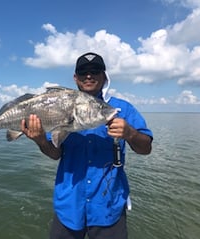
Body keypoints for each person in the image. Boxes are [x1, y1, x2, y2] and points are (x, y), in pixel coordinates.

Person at [21, 52, 153, 239]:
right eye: (83, 72)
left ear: (104, 75)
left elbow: (146, 149)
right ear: (76, 78)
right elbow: (55, 154)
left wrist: (130, 133)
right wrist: (40, 140)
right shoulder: (58, 107)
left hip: (108, 208)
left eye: (95, 71)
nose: (89, 76)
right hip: (69, 206)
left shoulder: (123, 109)